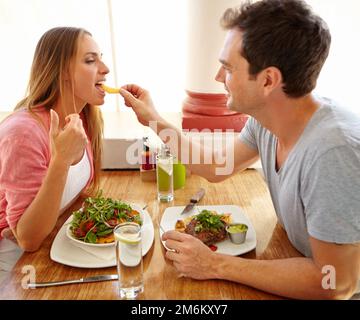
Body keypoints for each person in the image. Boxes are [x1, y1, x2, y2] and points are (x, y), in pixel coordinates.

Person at [118, 0, 360, 299]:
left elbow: (335, 282)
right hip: (293, 263)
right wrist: (154, 120)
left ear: (268, 80)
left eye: (228, 68)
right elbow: (216, 167)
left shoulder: (333, 152)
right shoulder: (268, 120)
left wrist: (215, 264)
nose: (219, 78)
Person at [0, 27, 109, 283]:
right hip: (15, 266)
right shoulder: (22, 133)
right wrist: (61, 160)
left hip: (56, 246)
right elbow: (27, 239)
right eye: (91, 60)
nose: (105, 68)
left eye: (100, 57)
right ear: (62, 72)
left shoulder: (83, 117)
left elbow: (66, 197)